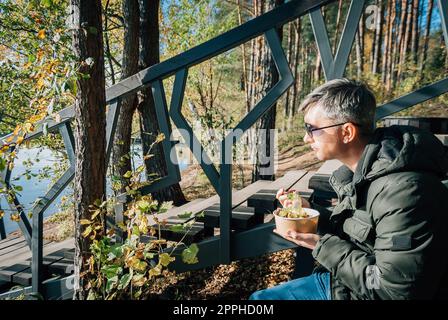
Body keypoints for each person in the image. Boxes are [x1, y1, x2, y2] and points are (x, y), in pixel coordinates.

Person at [249, 78, 448, 300]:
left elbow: (392, 290)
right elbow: (363, 233)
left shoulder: (404, 193)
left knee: (261, 301)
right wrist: (311, 215)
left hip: (362, 291)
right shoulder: (368, 171)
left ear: (347, 132)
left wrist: (322, 246)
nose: (306, 138)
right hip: (349, 281)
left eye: (312, 129)